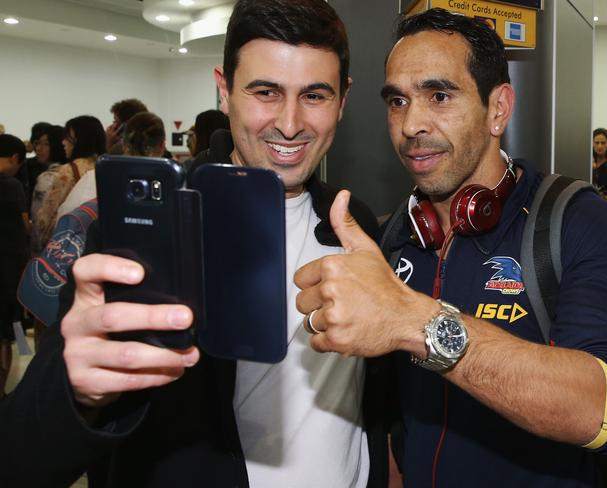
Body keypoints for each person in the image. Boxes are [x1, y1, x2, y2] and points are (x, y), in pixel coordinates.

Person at [0, 1, 381, 487]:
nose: (289, 123)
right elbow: (20, 456)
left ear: (343, 99)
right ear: (224, 90)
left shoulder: (354, 223)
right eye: (266, 91)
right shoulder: (151, 229)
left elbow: (371, 394)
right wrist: (77, 392)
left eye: (314, 95)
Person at [294, 8, 607, 487]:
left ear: (498, 108)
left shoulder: (576, 220)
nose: (411, 123)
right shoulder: (392, 236)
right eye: (397, 101)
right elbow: (390, 419)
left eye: (439, 95)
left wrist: (414, 320)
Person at [32, 115, 105, 251]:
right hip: (99, 241)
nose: (63, 143)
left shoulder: (68, 171)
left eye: (68, 138)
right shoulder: (105, 167)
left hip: (69, 244)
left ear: (80, 141)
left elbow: (45, 221)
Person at [0, 134, 29, 400]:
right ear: (14, 159)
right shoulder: (12, 186)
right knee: (10, 330)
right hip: (8, 270)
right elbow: (24, 225)